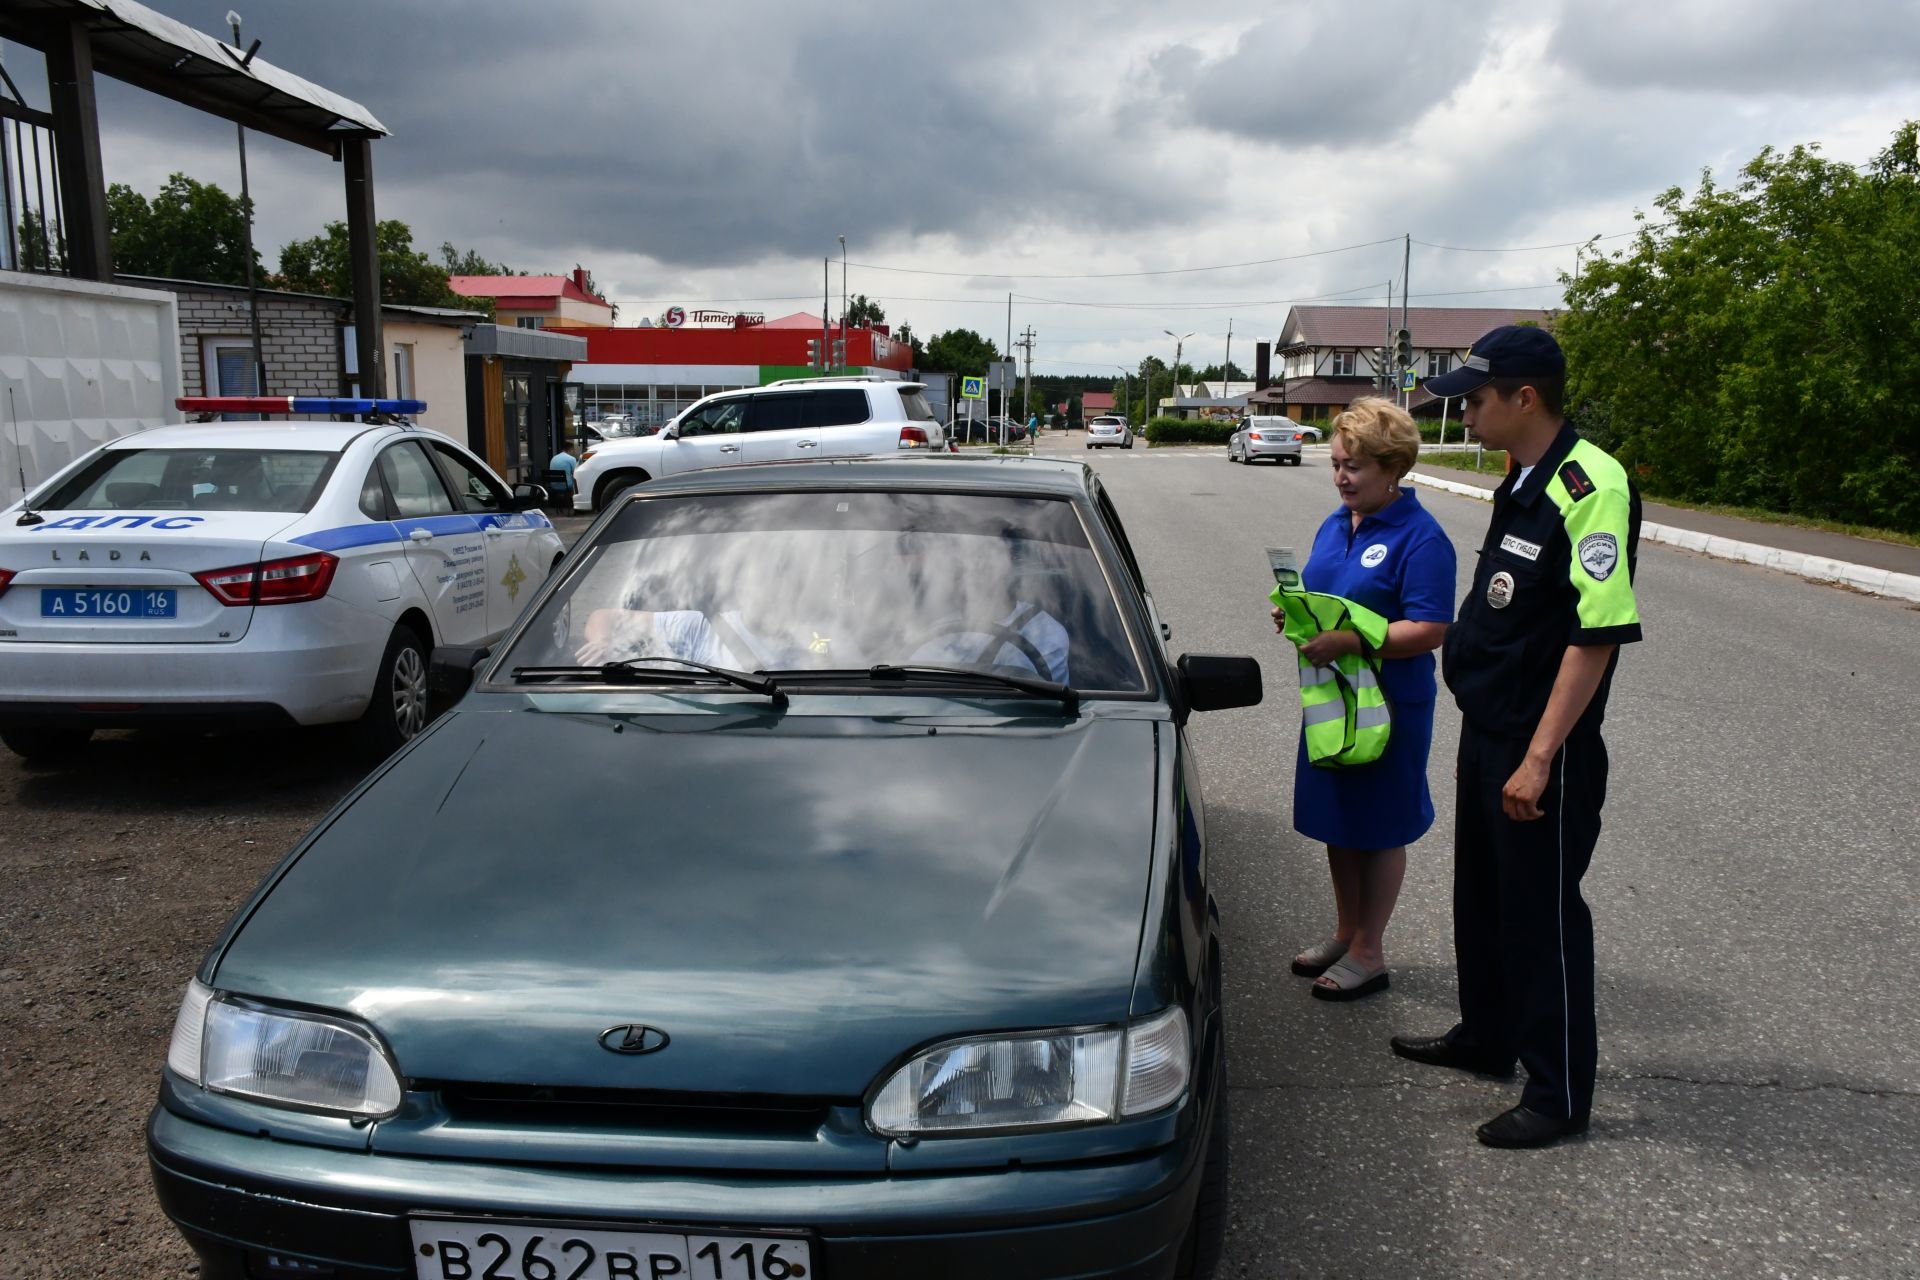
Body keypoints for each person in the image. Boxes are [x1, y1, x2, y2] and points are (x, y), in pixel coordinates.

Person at [1391, 325, 1642, 1150]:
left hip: (1544, 745)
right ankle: (1487, 1036)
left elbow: (1595, 634)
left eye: (1477, 396)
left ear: (1524, 398)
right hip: (1490, 725)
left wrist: (1539, 758)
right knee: (1485, 897)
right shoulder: (1521, 475)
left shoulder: (1589, 483)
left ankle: (1559, 1089)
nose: (1464, 408)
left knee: (1541, 914)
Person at [1276, 398, 1456, 1002]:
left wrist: (1353, 639)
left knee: (1379, 827)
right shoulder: (1335, 524)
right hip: (1333, 699)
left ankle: (1370, 953)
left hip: (1391, 705)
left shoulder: (1422, 538)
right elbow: (1322, 593)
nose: (1341, 478)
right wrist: (1295, 614)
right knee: (1340, 821)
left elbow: (1429, 630)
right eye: (1335, 465)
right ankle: (1347, 932)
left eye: (1353, 467)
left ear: (1393, 467)